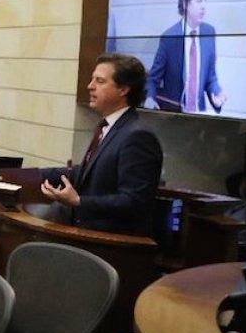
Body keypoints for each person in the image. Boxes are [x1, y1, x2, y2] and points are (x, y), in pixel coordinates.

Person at [41, 54, 163, 235]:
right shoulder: (106, 127)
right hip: (87, 236)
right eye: (92, 80)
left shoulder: (138, 135)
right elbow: (87, 172)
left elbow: (134, 201)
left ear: (123, 89)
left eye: (100, 81)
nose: (90, 86)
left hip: (113, 245)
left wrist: (79, 201)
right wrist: (27, 176)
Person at [146, 0, 224, 114]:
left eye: (205, 0)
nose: (204, 6)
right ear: (185, 3)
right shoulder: (169, 38)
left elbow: (210, 77)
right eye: (199, 1)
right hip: (173, 116)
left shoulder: (209, 32)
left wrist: (217, 92)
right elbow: (153, 79)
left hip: (200, 116)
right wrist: (150, 98)